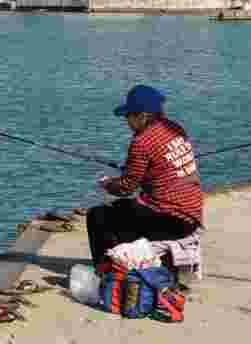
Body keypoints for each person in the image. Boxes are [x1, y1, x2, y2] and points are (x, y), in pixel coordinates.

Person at [86, 85, 203, 274]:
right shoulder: (175, 129)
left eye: (128, 116)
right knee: (123, 210)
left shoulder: (141, 142)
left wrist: (107, 183)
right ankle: (132, 264)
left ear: (143, 116)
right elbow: (162, 168)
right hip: (192, 213)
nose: (126, 121)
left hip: (172, 219)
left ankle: (106, 271)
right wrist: (138, 171)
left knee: (98, 215)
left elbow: (126, 188)